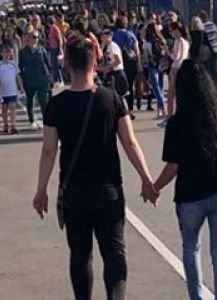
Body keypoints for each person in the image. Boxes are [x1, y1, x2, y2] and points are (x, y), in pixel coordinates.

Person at [34, 33, 159, 300]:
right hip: (108, 189)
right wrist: (147, 179)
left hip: (74, 191)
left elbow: (48, 150)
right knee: (114, 252)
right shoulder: (112, 99)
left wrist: (41, 189)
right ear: (95, 64)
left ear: (68, 64)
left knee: (80, 255)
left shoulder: (56, 105)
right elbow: (130, 143)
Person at [154, 60, 217, 300]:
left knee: (191, 248)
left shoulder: (177, 123)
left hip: (190, 195)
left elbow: (173, 166)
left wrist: (154, 188)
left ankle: (197, 297)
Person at [18, 31, 52, 129]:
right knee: (30, 101)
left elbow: (48, 64)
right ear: (28, 38)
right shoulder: (23, 52)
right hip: (29, 80)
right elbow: (20, 68)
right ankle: (32, 121)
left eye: (37, 37)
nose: (35, 39)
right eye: (33, 37)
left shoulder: (41, 50)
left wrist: (50, 76)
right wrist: (21, 82)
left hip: (42, 79)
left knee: (44, 101)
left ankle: (46, 121)